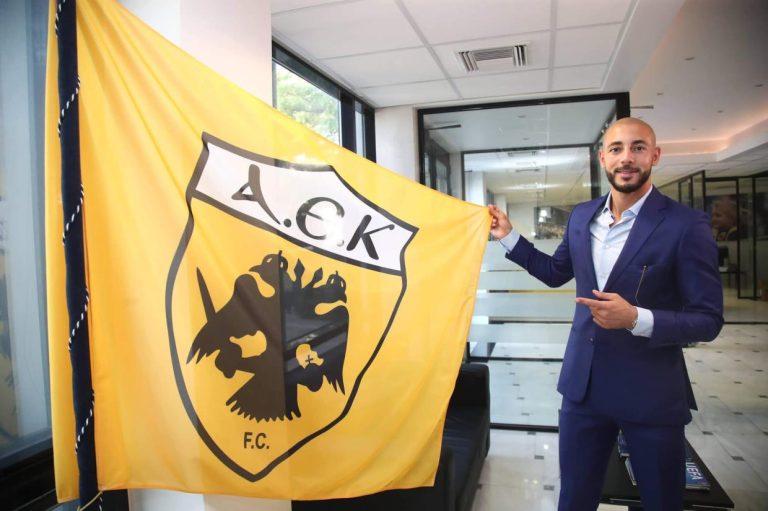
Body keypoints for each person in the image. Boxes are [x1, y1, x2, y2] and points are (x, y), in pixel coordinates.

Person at [488, 117, 723, 511]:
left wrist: (635, 318)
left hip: (650, 391)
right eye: (616, 148)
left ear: (655, 155)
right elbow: (554, 273)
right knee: (574, 498)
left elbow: (708, 319)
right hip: (584, 389)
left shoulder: (685, 224)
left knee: (661, 502)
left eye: (637, 147)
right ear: (603, 158)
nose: (626, 157)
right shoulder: (582, 216)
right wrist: (508, 236)